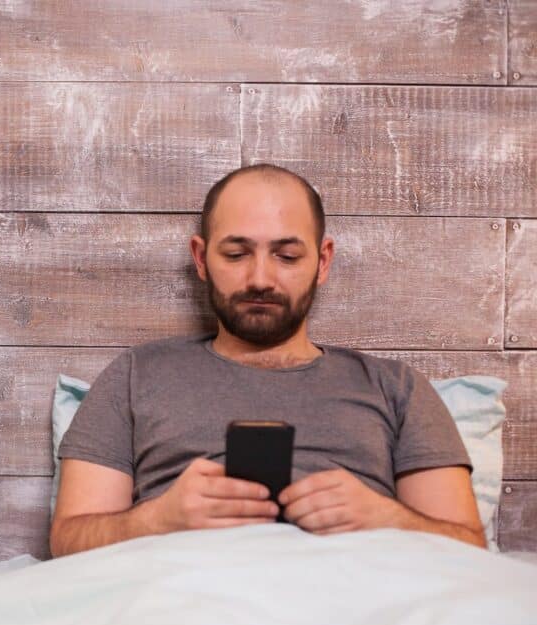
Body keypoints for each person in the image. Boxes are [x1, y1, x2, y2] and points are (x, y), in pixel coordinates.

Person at [50, 164, 485, 557]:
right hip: (181, 602)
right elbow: (68, 541)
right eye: (236, 254)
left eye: (287, 256)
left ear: (323, 261)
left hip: (355, 600)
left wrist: (386, 519)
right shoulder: (136, 375)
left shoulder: (395, 387)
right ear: (201, 259)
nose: (260, 278)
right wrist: (157, 521)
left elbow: (470, 547)